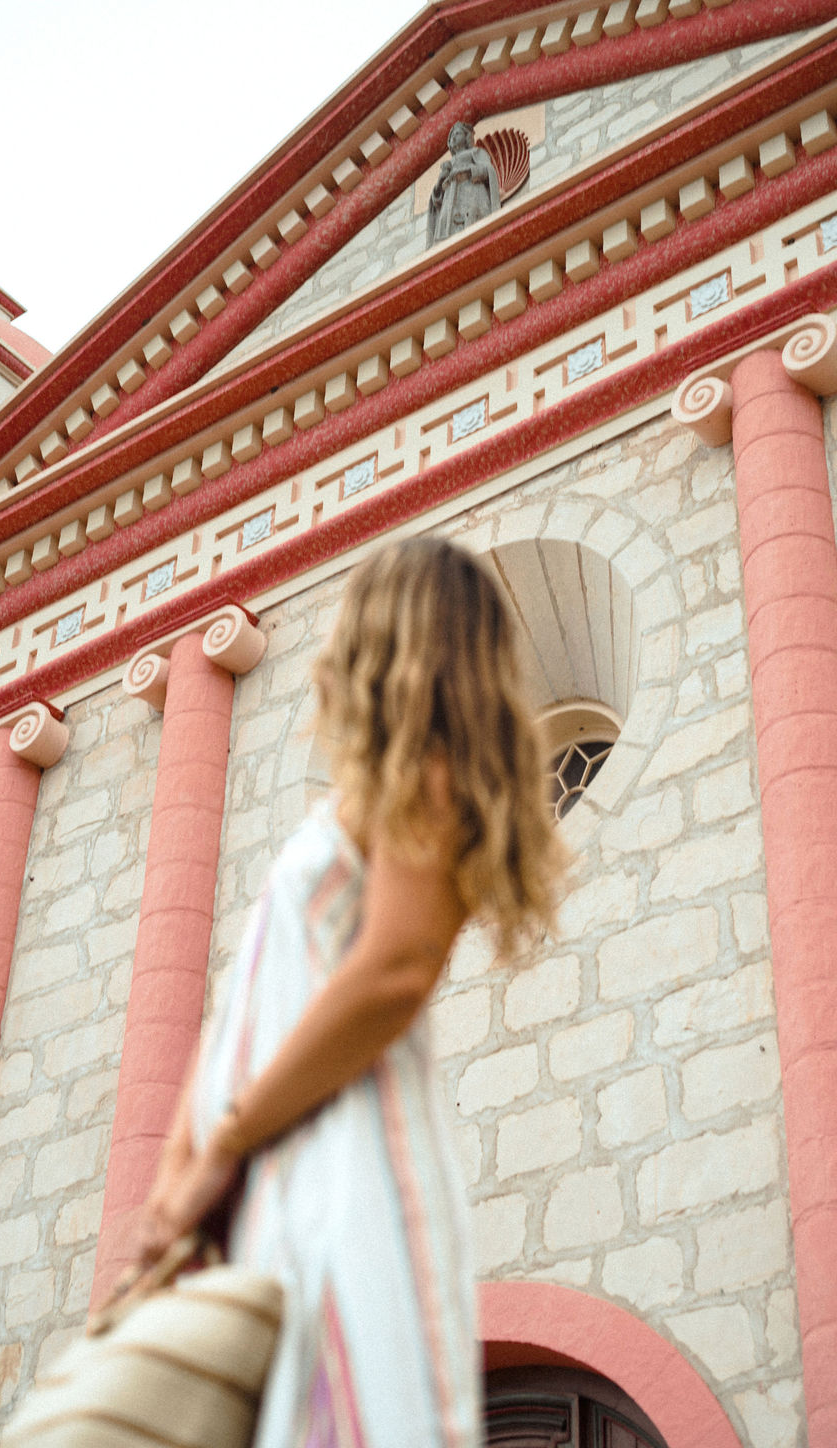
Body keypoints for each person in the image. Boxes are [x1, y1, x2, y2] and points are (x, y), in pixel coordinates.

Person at [136, 536, 567, 1447]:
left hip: (347, 1171)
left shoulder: (429, 779)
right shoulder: (352, 804)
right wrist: (179, 1172)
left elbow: (395, 970)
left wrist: (225, 1141)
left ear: (392, 635)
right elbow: (243, 1006)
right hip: (274, 1181)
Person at [427, 122, 501, 247]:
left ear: (467, 136)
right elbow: (437, 199)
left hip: (472, 193)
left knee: (472, 218)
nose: (453, 138)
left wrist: (467, 171)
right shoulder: (449, 163)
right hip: (450, 198)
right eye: (451, 136)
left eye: (457, 133)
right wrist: (441, 179)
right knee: (445, 221)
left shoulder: (475, 152)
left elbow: (487, 170)